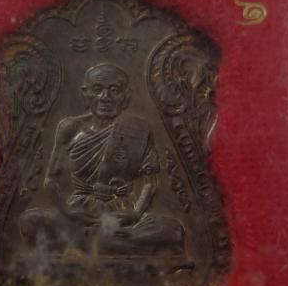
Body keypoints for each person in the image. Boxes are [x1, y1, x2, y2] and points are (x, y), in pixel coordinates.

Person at [20, 63, 184, 254]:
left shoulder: (138, 130)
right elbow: (51, 180)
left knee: (173, 230)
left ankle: (90, 243)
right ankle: (108, 243)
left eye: (114, 90)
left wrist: (135, 213)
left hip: (121, 212)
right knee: (29, 221)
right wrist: (68, 211)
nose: (105, 97)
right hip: (80, 212)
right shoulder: (70, 128)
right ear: (85, 94)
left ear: (126, 96)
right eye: (97, 89)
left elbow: (150, 183)